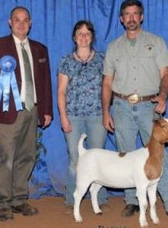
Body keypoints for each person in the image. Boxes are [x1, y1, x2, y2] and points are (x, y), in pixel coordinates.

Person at [102, 0, 168, 222]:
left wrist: (164, 96)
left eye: (135, 14)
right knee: (126, 155)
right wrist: (106, 112)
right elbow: (107, 83)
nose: (131, 18)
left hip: (149, 106)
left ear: (142, 17)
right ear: (121, 19)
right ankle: (132, 202)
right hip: (121, 106)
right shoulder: (113, 47)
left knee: (159, 157)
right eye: (127, 14)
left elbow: (165, 74)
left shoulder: (156, 42)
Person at [0, 6, 53, 221]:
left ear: (31, 23)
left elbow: (45, 82)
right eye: (17, 20)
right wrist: (1, 69)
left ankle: (20, 200)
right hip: (8, 110)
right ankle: (2, 203)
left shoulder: (40, 49)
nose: (21, 24)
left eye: (25, 20)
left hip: (32, 109)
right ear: (10, 22)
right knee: (7, 158)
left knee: (27, 156)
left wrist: (46, 110)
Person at [57, 20, 109, 214]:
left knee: (99, 157)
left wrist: (107, 113)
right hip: (73, 116)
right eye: (80, 33)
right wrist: (63, 116)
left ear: (92, 37)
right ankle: (72, 196)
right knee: (75, 158)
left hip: (97, 115)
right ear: (74, 37)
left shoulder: (102, 60)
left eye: (87, 34)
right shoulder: (66, 61)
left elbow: (108, 88)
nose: (84, 37)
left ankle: (100, 196)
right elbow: (61, 91)